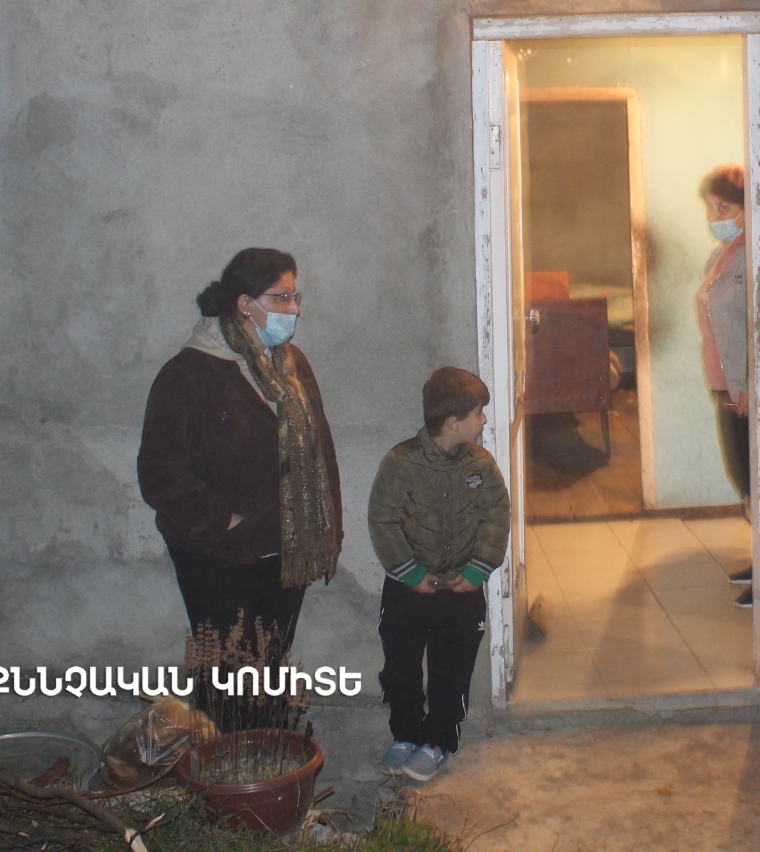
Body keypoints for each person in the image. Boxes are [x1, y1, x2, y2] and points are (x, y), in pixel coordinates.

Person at [137, 247, 343, 660]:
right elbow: (159, 472)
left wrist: (329, 528)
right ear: (245, 304)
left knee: (271, 667)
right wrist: (225, 521)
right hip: (217, 554)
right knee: (227, 671)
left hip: (287, 547)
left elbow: (321, 449)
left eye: (295, 297)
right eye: (281, 297)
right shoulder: (189, 373)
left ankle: (267, 709)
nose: (294, 309)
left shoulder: (293, 365)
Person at [368, 367, 509, 784]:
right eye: (478, 413)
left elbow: (496, 516)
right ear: (453, 423)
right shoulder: (400, 462)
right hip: (407, 591)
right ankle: (406, 734)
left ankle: (439, 740)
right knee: (402, 669)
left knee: (452, 671)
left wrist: (478, 569)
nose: (483, 420)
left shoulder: (480, 465)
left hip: (461, 591)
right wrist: (410, 574)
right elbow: (383, 520)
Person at [696, 164, 752, 608]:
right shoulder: (724, 254)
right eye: (711, 207)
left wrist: (749, 385)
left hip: (744, 388)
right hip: (724, 384)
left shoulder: (754, 254)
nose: (715, 216)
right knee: (744, 478)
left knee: (757, 479)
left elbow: (757, 324)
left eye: (724, 207)